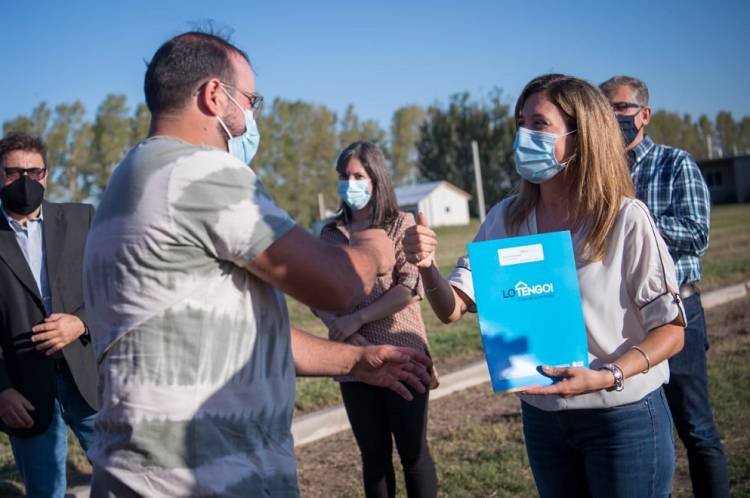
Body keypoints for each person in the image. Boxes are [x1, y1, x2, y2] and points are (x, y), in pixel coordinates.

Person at [82, 31, 431, 497]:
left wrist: (357, 360)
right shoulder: (200, 173)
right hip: (200, 474)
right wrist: (374, 249)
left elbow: (242, 331)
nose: (251, 117)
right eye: (250, 100)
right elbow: (337, 285)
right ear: (213, 95)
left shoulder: (130, 182)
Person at [404, 74, 687, 498]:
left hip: (622, 418)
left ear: (581, 136)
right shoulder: (506, 220)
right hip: (544, 419)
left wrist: (607, 376)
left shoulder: (625, 220)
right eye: (521, 123)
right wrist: (427, 267)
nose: (524, 135)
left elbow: (671, 330)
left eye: (539, 124)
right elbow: (451, 308)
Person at [600, 75, 730, 498]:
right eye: (605, 109)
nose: (613, 116)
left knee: (695, 426)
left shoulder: (675, 163)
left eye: (620, 107)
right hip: (622, 318)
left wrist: (634, 221)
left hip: (677, 312)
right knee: (647, 427)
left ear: (644, 114)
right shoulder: (601, 171)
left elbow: (696, 234)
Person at [314, 141, 437, 498]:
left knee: (413, 453)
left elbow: (410, 287)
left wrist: (357, 319)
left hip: (404, 354)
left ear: (376, 179)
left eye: (358, 175)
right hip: (352, 360)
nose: (349, 182)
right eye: (344, 176)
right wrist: (346, 334)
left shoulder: (401, 225)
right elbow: (318, 293)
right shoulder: (330, 233)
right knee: (373, 456)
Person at [0, 132, 99, 497]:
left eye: (34, 171)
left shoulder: (82, 218)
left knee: (128, 479)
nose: (25, 181)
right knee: (45, 492)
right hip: (25, 392)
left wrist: (81, 321)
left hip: (88, 380)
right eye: (13, 172)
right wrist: (2, 389)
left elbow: (114, 286)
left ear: (46, 174)